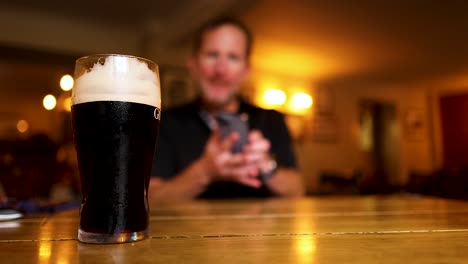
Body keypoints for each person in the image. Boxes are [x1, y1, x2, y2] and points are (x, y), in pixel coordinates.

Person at [150, 17, 305, 201]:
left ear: (246, 71)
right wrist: (205, 171)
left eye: (233, 57)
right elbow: (151, 198)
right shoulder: (167, 122)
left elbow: (297, 190)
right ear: (193, 64)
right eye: (212, 55)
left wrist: (266, 164)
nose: (221, 70)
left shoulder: (271, 119)